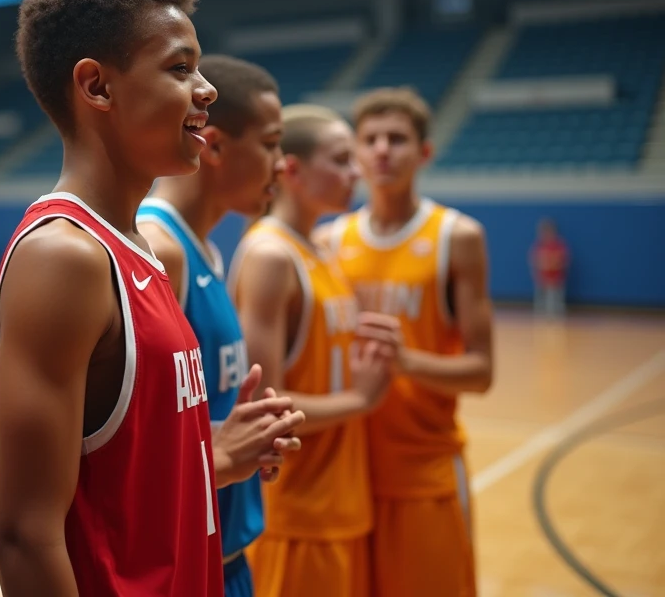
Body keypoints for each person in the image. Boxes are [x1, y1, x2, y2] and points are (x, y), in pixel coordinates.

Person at [0, 0, 305, 597]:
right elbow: (22, 535)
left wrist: (211, 454)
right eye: (180, 68)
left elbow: (118, 478)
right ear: (97, 87)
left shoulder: (140, 249)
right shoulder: (66, 257)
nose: (207, 89)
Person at [325, 87, 494, 597]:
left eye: (396, 139)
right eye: (370, 139)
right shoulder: (330, 240)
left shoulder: (457, 237)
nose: (381, 150)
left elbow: (482, 371)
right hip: (348, 474)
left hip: (424, 474)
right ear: (355, 154)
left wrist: (406, 361)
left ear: (424, 153)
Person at [135, 55, 293, 597]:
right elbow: (122, 455)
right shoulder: (160, 251)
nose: (283, 165)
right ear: (217, 145)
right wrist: (219, 458)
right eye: (272, 144)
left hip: (226, 559)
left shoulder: (205, 249)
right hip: (185, 570)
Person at [231, 104, 398, 597]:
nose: (357, 172)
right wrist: (361, 400)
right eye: (343, 160)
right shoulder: (271, 256)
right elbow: (267, 405)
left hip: (340, 501)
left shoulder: (319, 248)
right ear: (293, 171)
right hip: (298, 513)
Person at [529, 217, 568, 319]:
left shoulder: (558, 246)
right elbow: (534, 260)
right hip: (542, 279)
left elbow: (562, 261)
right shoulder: (539, 246)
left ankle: (557, 319)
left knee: (555, 301)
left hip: (555, 279)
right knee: (541, 300)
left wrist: (550, 264)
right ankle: (540, 318)